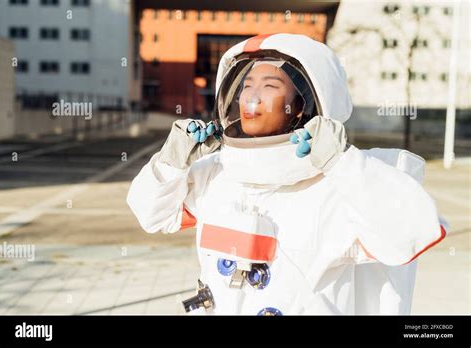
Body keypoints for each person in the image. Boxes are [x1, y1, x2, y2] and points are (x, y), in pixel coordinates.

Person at [127, 33, 446, 315]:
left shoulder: (338, 186)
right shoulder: (218, 174)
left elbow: (409, 234)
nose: (251, 97)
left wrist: (342, 163)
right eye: (247, 85)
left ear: (301, 105)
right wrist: (170, 162)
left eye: (270, 86)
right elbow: (153, 216)